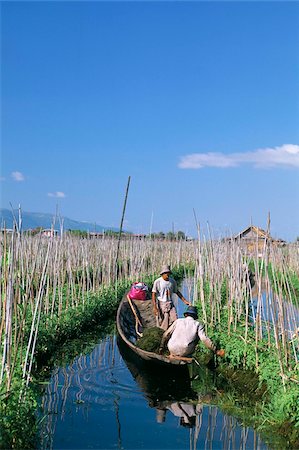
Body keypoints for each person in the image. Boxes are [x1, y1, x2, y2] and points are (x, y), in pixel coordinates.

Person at [159, 305, 225, 358]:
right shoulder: (197, 324)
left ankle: (172, 354)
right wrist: (216, 350)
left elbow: (165, 334)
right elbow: (204, 339)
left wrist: (161, 347)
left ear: (186, 315)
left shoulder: (178, 321)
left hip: (171, 347)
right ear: (195, 316)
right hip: (185, 350)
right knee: (196, 338)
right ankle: (185, 355)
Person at [152, 265, 191, 330]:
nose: (167, 275)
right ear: (162, 274)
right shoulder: (158, 282)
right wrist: (155, 307)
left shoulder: (172, 281)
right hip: (162, 303)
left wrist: (184, 301)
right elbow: (153, 294)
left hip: (170, 302)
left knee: (175, 318)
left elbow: (177, 292)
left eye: (168, 273)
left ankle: (173, 331)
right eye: (166, 273)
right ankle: (163, 332)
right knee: (164, 320)